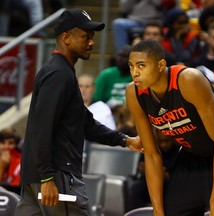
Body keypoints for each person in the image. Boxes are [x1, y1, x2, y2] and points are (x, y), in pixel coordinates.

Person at [15, 8, 142, 216]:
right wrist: (48, 178)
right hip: (56, 177)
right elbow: (41, 127)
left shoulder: (58, 71)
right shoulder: (59, 74)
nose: (91, 42)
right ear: (66, 38)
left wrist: (126, 141)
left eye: (92, 37)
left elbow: (85, 123)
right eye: (85, 36)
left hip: (37, 177)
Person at [126, 39, 214, 216]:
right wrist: (158, 211)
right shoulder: (134, 93)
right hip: (191, 153)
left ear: (161, 65)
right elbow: (152, 155)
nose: (134, 73)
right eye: (131, 66)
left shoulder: (188, 80)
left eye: (141, 66)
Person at [92, 45, 133, 109]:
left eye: (125, 56)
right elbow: (95, 100)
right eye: (119, 55)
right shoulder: (106, 74)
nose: (121, 59)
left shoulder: (139, 76)